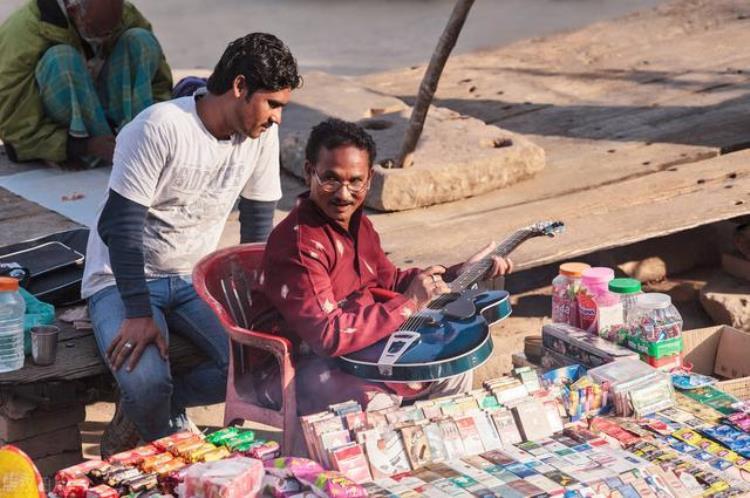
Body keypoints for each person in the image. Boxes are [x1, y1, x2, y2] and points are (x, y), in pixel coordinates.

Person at [81, 32, 301, 455]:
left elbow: (256, 228)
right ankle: (174, 444)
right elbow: (120, 227)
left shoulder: (261, 138)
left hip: (194, 276)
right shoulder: (159, 127)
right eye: (272, 104)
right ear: (239, 86)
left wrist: (255, 309)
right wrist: (138, 312)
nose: (277, 119)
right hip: (120, 278)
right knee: (146, 381)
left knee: (257, 366)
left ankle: (152, 413)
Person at [249, 118, 513, 415]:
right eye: (331, 179)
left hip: (361, 351)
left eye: (355, 181)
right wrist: (410, 302)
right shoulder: (298, 245)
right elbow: (328, 336)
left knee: (452, 366)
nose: (343, 194)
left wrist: (461, 273)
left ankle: (440, 446)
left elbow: (390, 280)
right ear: (310, 172)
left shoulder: (359, 226)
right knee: (379, 402)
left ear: (370, 179)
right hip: (299, 368)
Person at [0, 0, 172, 169]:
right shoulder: (22, 33)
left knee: (141, 41)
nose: (106, 37)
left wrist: (161, 125)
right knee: (61, 60)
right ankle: (91, 151)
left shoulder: (124, 13)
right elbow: (16, 126)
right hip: (67, 136)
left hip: (112, 116)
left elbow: (158, 84)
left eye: (111, 31)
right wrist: (81, 146)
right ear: (73, 10)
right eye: (98, 31)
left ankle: (136, 139)